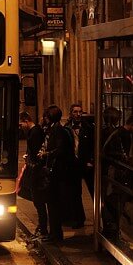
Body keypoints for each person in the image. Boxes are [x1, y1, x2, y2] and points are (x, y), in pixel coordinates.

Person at [37, 104, 74, 242]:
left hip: (57, 173)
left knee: (53, 205)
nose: (44, 119)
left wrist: (46, 154)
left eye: (46, 116)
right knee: (52, 204)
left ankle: (56, 235)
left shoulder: (58, 130)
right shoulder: (55, 129)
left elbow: (59, 149)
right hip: (56, 172)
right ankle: (54, 233)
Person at [19, 111, 48, 238]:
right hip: (34, 171)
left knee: (39, 202)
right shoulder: (33, 132)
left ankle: (43, 228)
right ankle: (41, 227)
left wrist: (30, 161)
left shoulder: (35, 132)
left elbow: (37, 154)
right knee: (37, 201)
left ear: (26, 120)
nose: (20, 127)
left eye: (20, 124)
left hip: (36, 173)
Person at [64, 103, 93, 225]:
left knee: (94, 191)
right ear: (71, 113)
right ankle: (78, 219)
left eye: (80, 112)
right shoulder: (67, 128)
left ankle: (102, 219)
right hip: (73, 164)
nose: (78, 114)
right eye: (75, 112)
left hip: (86, 164)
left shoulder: (89, 128)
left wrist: (91, 161)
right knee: (75, 193)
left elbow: (93, 145)